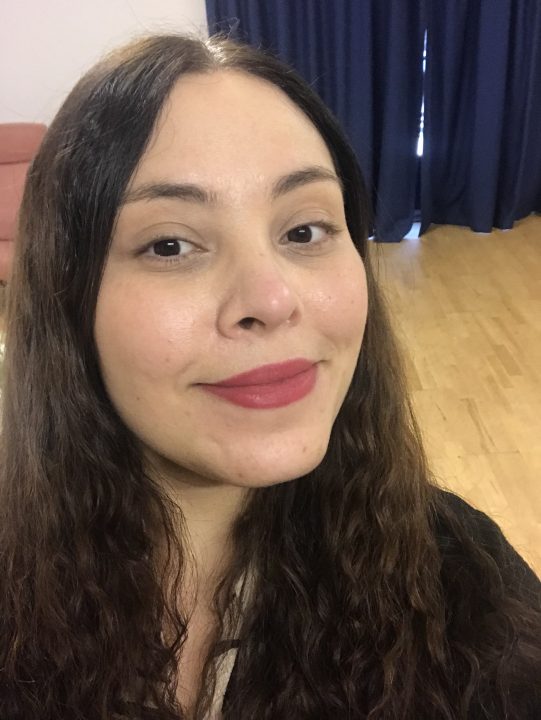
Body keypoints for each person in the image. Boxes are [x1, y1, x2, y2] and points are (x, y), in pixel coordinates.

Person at [0, 33, 539, 720]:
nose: (272, 299)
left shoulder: (461, 578)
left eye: (304, 231)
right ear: (66, 296)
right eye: (170, 244)